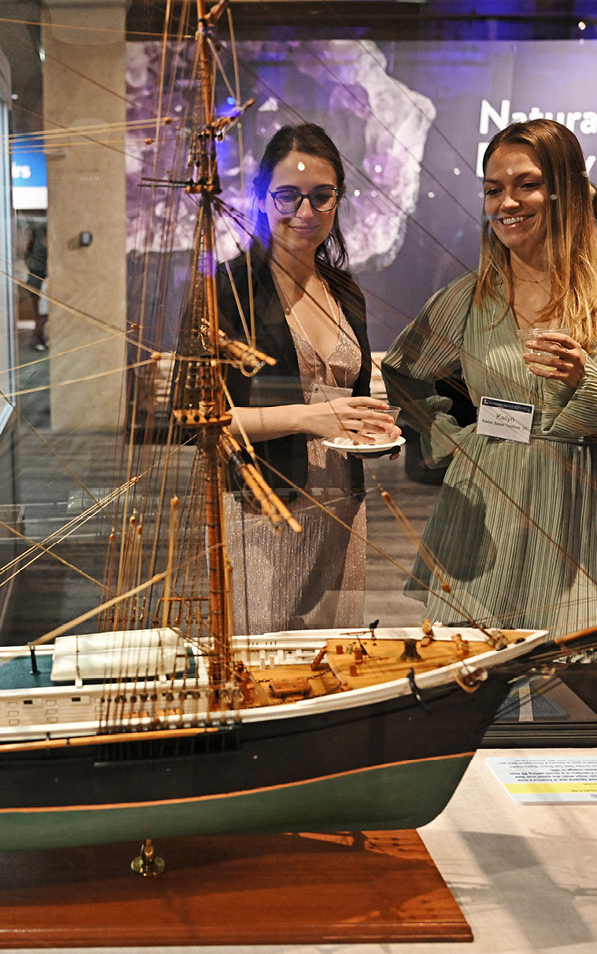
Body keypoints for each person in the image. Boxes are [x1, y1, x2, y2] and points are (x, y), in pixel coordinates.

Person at [381, 118, 597, 634]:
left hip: (580, 511)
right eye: (494, 190)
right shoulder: (467, 297)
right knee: (474, 692)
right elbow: (404, 373)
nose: (506, 203)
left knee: (570, 693)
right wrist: (454, 440)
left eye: (526, 184)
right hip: (482, 514)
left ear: (567, 191)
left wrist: (589, 382)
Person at [218, 123, 399, 633]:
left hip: (343, 502)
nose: (305, 214)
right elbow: (203, 422)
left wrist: (375, 429)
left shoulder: (344, 289)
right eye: (288, 196)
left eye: (322, 197)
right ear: (260, 195)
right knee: (266, 663)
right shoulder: (229, 289)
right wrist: (309, 417)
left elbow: (353, 398)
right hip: (266, 506)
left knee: (332, 659)